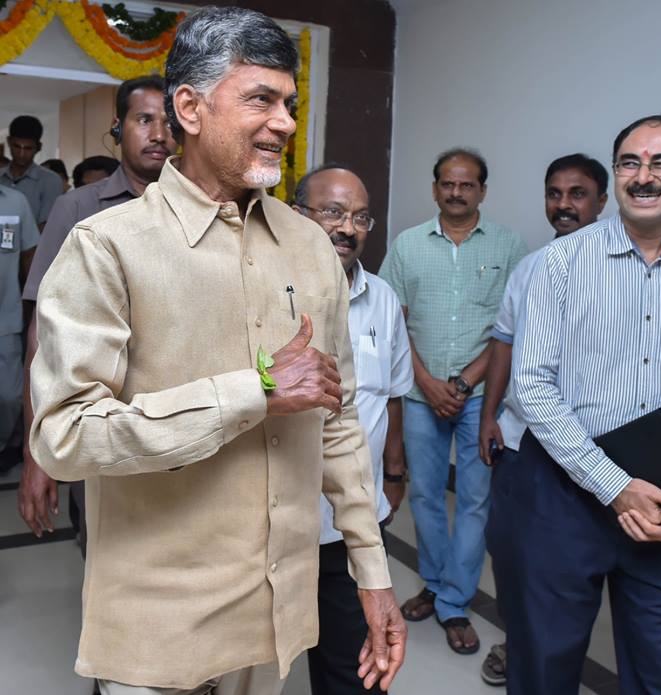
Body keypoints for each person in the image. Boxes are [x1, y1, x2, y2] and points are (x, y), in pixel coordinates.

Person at [30, 8, 405, 694]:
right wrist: (254, 392)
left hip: (276, 617)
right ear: (190, 108)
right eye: (260, 98)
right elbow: (65, 435)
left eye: (289, 103)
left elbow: (340, 420)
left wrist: (371, 572)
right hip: (157, 622)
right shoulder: (108, 246)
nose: (286, 123)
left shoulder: (310, 246)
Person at [506, 115, 661, 694]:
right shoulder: (560, 264)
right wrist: (614, 485)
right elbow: (533, 387)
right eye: (629, 163)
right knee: (544, 663)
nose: (644, 177)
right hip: (565, 491)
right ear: (616, 174)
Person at [379, 148, 526, 655]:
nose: (456, 192)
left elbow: (508, 331)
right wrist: (426, 381)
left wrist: (462, 385)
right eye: (448, 183)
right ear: (436, 187)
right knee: (424, 497)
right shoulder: (407, 245)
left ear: (482, 190)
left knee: (474, 501)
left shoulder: (509, 247)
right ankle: (439, 586)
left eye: (467, 185)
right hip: (421, 396)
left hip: (482, 398)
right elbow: (393, 322)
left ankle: (454, 599)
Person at [18, 75, 177, 544]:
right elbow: (41, 340)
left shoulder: (200, 207)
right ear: (118, 127)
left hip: (180, 423)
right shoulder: (78, 209)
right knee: (106, 559)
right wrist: (37, 456)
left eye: (168, 122)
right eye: (144, 119)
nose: (158, 134)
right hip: (100, 424)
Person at [479, 152, 608, 686]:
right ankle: (520, 644)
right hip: (520, 441)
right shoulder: (530, 267)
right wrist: (489, 415)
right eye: (555, 193)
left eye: (577, 194)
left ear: (603, 201)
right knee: (512, 559)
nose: (563, 204)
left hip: (585, 446)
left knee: (565, 574)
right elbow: (503, 344)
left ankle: (544, 658)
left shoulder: (616, 272)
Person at [292, 164, 413, 695]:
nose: (348, 227)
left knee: (353, 665)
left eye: (360, 216)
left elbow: (391, 394)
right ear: (298, 216)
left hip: (351, 522)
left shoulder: (382, 299)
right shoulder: (266, 290)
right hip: (275, 519)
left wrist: (393, 472)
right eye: (332, 212)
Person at [0, 184, 38, 472]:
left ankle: (4, 444)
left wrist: (31, 308)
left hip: (7, 316)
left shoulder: (16, 201)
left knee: (9, 396)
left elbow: (28, 257)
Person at [1, 115, 64, 227]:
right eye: (17, 146)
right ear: (9, 142)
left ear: (38, 147)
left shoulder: (50, 181)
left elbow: (47, 225)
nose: (21, 154)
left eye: (28, 148)